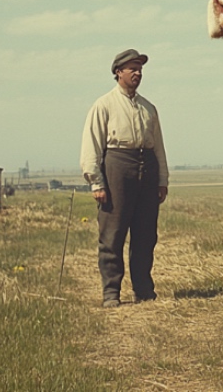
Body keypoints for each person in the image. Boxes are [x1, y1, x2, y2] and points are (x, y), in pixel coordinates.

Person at [80, 48, 169, 308]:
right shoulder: (103, 105)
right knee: (113, 233)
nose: (138, 73)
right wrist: (96, 182)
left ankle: (143, 289)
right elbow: (91, 146)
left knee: (145, 234)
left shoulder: (148, 108)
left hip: (147, 169)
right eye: (133, 69)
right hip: (117, 168)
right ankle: (111, 292)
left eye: (140, 69)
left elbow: (159, 147)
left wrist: (162, 180)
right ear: (118, 72)